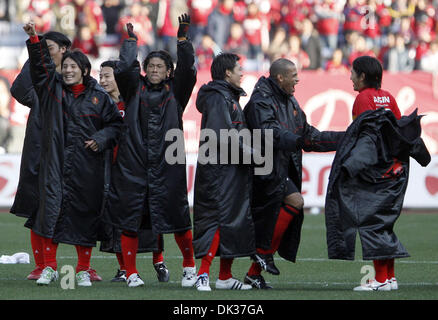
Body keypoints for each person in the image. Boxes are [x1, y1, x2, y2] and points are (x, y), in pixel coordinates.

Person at [23, 21, 123, 286]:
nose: (67, 70)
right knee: (49, 213)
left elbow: (115, 125)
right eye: (65, 66)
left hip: (86, 165)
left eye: (72, 67)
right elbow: (39, 68)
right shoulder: (51, 89)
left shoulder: (99, 97)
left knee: (85, 215)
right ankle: (50, 268)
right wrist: (34, 40)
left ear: (84, 70)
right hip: (54, 162)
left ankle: (83, 269)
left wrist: (100, 139)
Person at [103, 15, 197, 288]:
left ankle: (189, 268)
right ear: (144, 70)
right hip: (133, 168)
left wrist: (182, 40)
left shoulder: (177, 92)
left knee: (179, 220)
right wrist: (130, 42)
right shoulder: (134, 90)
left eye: (160, 66)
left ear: (169, 71)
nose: (155, 69)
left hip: (168, 167)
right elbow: (123, 70)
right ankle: (131, 273)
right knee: (130, 220)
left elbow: (189, 70)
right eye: (151, 66)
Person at [324, 56, 431, 291]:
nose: (350, 77)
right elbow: (400, 132)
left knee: (370, 223)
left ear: (362, 76)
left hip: (376, 171)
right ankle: (389, 277)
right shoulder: (389, 97)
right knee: (383, 223)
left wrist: (352, 164)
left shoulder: (362, 99)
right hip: (395, 170)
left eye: (353, 73)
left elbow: (367, 137)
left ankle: (380, 280)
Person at [9, 30, 102, 283]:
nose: (46, 49)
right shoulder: (41, 79)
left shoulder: (78, 75)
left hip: (76, 152)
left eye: (50, 46)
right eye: (44, 46)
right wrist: (37, 55)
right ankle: (43, 266)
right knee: (40, 207)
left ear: (64, 48)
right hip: (42, 147)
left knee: (81, 206)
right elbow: (18, 89)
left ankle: (85, 268)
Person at [243, 58, 344, 289]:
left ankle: (254, 272)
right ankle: (255, 256)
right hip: (261, 170)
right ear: (280, 77)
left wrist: (343, 139)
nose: (298, 79)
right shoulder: (261, 102)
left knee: (292, 204)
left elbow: (309, 135)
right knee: (291, 202)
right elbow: (269, 132)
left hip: (278, 170)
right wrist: (297, 140)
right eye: (294, 75)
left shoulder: (290, 101)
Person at [98, 60, 169, 283]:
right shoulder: (99, 105)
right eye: (101, 76)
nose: (103, 81)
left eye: (108, 75)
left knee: (150, 216)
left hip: (138, 169)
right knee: (116, 220)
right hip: (110, 170)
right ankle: (123, 268)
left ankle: (159, 261)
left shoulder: (135, 102)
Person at [192, 53, 256, 291]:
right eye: (239, 68)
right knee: (218, 220)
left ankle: (225, 277)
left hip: (230, 168)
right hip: (218, 170)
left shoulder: (227, 96)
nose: (243, 72)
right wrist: (251, 154)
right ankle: (203, 274)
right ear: (227, 73)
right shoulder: (219, 97)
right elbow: (222, 135)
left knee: (231, 220)